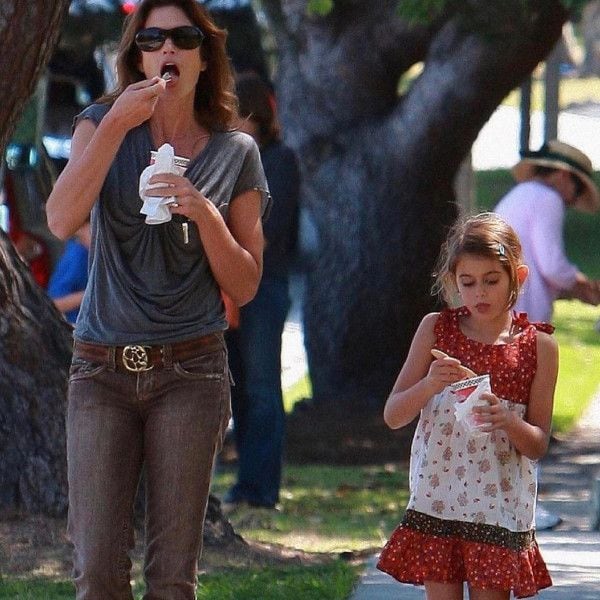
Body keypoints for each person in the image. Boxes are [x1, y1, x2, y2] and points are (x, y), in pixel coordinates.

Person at [45, 0, 270, 598]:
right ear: (137, 55)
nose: (167, 48)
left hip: (190, 371)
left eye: (182, 37)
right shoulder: (100, 123)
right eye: (152, 38)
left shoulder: (233, 151)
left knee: (172, 576)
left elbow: (246, 283)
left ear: (204, 56)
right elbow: (62, 218)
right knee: (96, 571)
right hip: (100, 369)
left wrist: (201, 210)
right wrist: (118, 122)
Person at [377, 213, 558, 600]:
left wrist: (508, 421)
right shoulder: (435, 329)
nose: (480, 293)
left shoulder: (537, 346)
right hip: (439, 501)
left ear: (518, 277)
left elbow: (539, 444)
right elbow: (394, 415)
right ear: (452, 282)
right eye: (467, 282)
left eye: (492, 281)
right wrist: (429, 384)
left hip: (498, 508)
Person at [223, 72, 300, 510]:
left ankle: (261, 486)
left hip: (264, 286)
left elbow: (266, 232)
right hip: (233, 287)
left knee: (262, 387)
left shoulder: (278, 159)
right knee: (237, 387)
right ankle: (246, 482)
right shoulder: (229, 156)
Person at [494, 139, 600, 323]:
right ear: (563, 175)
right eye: (578, 190)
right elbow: (552, 267)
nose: (573, 201)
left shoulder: (521, 194)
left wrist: (575, 289)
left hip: (500, 308)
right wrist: (582, 285)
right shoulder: (548, 199)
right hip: (522, 315)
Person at [47, 220, 91, 325]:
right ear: (80, 229)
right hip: (74, 328)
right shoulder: (76, 257)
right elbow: (54, 304)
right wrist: (91, 294)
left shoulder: (93, 253)